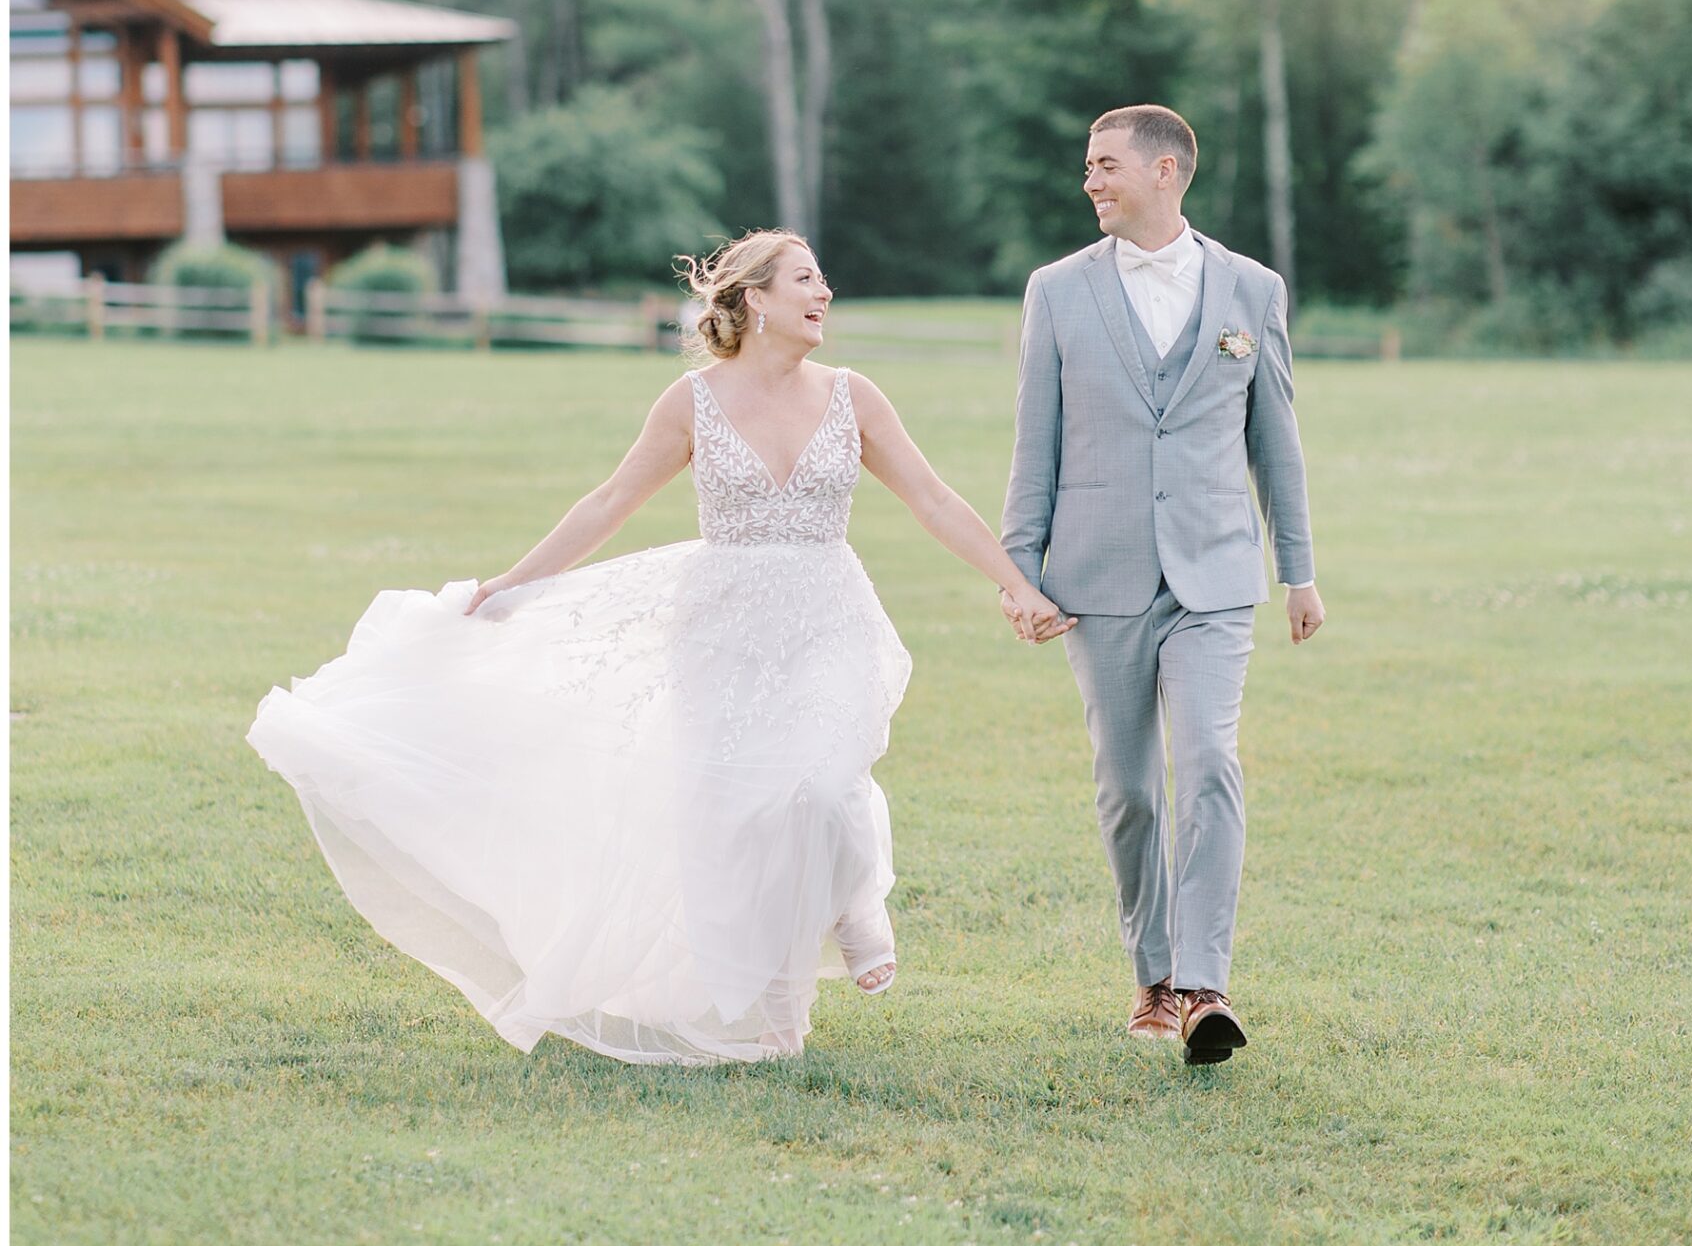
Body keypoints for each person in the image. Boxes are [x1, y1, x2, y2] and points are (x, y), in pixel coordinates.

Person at [248, 228, 1062, 1067]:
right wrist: (510, 584)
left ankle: (855, 900)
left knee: (821, 788)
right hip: (721, 628)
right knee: (739, 821)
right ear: (756, 300)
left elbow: (930, 497)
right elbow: (609, 502)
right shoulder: (691, 402)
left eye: (824, 280)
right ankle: (781, 1023)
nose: (825, 295)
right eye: (807, 281)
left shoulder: (854, 395)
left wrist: (1015, 583)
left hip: (828, 616)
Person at [999, 103, 1326, 1065]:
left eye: (1104, 165)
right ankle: (1149, 977)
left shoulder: (1251, 290)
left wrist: (1296, 569)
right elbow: (1036, 445)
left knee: (1211, 765)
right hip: (1095, 578)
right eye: (1088, 167)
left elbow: (1277, 442)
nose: (1090, 181)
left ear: (1167, 170)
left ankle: (1204, 986)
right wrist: (1020, 573)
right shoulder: (1055, 292)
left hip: (1215, 575)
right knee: (1129, 790)